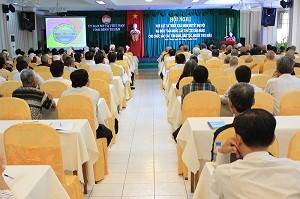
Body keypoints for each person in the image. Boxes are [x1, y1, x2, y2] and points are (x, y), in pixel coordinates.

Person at [212, 109, 300, 199]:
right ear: (273, 139)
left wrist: (222, 153)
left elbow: (215, 189)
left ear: (238, 139)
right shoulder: (296, 169)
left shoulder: (225, 173)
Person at [61, 69, 113, 145]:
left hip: (70, 128)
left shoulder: (64, 94)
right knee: (108, 133)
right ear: (87, 81)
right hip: (91, 129)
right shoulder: (95, 94)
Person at [211, 82, 254, 160]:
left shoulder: (222, 132)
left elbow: (214, 162)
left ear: (230, 103)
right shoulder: (265, 133)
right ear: (253, 102)